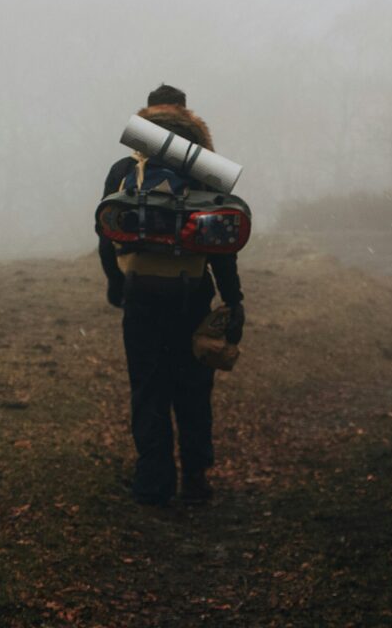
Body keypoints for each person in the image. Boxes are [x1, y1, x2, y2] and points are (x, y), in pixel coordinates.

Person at [98, 84, 245, 506]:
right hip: (192, 293)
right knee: (193, 387)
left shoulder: (125, 168)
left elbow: (105, 231)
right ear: (186, 116)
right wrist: (233, 299)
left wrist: (114, 282)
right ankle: (196, 478)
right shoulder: (206, 171)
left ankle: (153, 483)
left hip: (141, 293)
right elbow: (222, 245)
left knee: (148, 387)